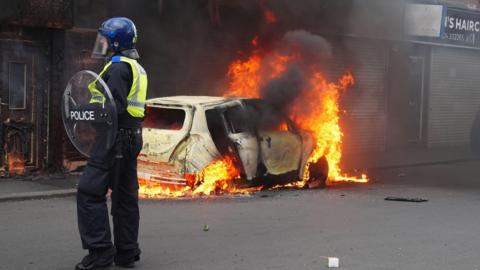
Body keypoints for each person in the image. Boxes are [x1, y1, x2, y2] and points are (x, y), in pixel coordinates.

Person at [75, 17, 148, 270]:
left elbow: (113, 108)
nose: (102, 43)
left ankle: (100, 252)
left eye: (105, 39)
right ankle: (127, 251)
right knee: (125, 197)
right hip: (131, 138)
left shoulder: (116, 67)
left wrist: (84, 111)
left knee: (89, 191)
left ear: (116, 42)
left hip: (113, 139)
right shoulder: (135, 66)